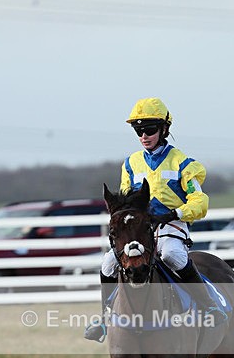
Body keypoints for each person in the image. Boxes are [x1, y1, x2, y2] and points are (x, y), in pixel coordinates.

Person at [84, 97, 209, 342]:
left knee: (172, 254)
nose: (144, 135)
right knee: (109, 263)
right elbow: (125, 199)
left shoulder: (184, 163)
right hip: (139, 229)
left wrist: (175, 214)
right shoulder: (131, 163)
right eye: (138, 130)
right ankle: (104, 318)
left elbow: (200, 201)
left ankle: (208, 305)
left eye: (149, 129)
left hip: (171, 224)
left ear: (164, 129)